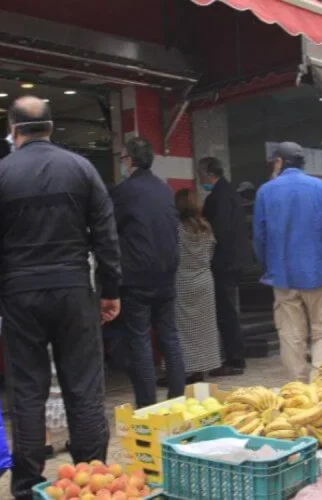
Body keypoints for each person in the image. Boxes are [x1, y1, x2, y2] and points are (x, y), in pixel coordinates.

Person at [0, 96, 121, 499]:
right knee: (84, 387)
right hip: (73, 291)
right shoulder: (82, 169)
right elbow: (106, 236)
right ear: (50, 128)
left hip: (20, 295)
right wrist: (110, 291)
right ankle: (90, 478)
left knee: (28, 391)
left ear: (14, 131)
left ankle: (29, 485)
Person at [254, 142, 322, 382]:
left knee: (291, 335)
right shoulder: (319, 188)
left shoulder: (265, 191)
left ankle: (299, 390)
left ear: (279, 162)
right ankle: (321, 384)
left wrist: (268, 268)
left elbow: (259, 237)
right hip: (318, 273)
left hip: (282, 276)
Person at [111, 137, 185, 406]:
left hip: (137, 278)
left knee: (140, 339)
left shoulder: (124, 192)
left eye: (122, 158)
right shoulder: (164, 189)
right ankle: (178, 398)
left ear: (129, 160)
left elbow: (109, 230)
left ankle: (147, 403)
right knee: (170, 336)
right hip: (166, 275)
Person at [199, 157, 250, 376]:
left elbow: (215, 232)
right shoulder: (230, 193)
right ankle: (235, 356)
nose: (199, 177)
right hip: (235, 260)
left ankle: (234, 359)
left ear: (210, 172)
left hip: (224, 262)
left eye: (201, 172)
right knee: (230, 311)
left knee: (227, 312)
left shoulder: (217, 197)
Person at [174, 189, 222, 383]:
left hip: (182, 281)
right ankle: (202, 367)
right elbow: (211, 253)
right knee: (205, 328)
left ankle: (184, 368)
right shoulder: (206, 227)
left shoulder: (176, 229)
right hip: (204, 281)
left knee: (182, 329)